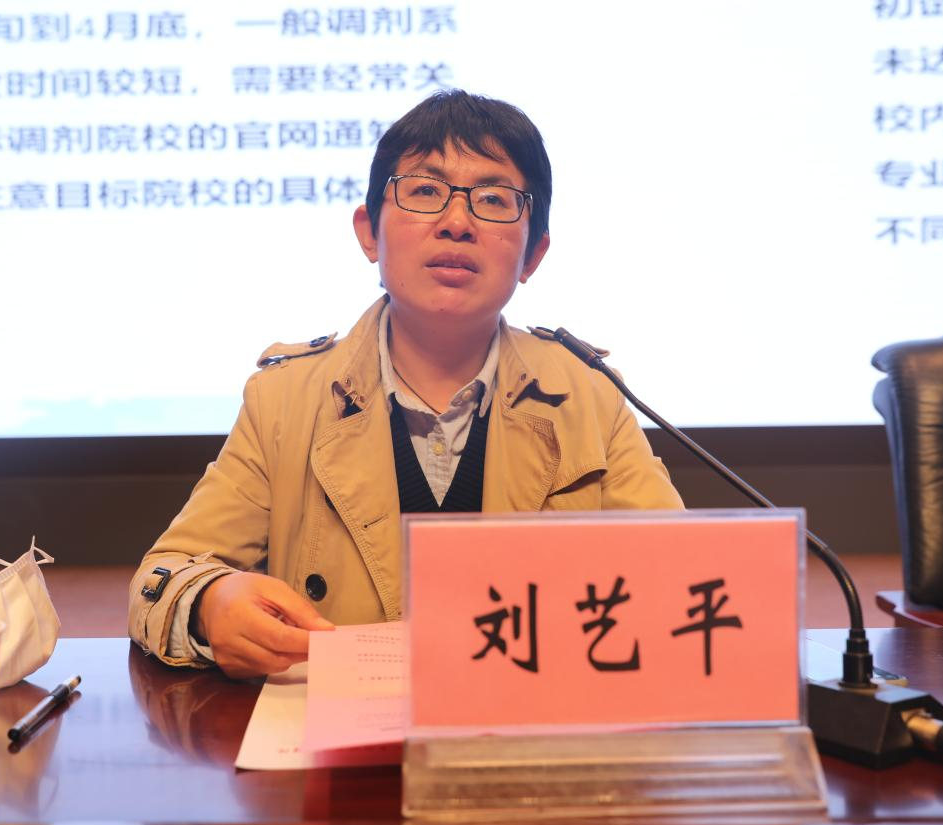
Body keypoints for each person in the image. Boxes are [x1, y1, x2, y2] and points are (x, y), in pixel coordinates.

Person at [128, 90, 683, 677]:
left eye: (494, 200)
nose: (457, 223)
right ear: (370, 232)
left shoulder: (587, 395)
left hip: (531, 719)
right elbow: (161, 580)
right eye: (424, 191)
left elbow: (681, 577)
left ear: (533, 255)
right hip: (341, 725)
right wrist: (210, 604)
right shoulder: (285, 402)